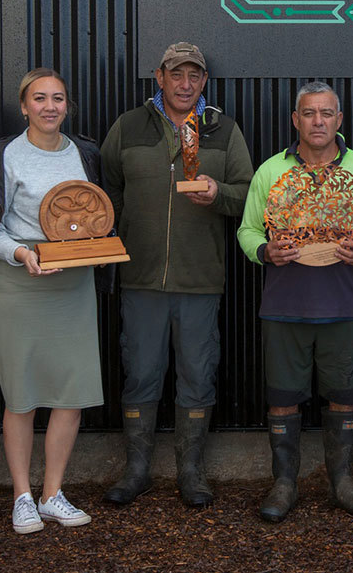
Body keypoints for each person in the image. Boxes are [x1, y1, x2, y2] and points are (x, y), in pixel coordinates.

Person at [100, 42, 253, 508]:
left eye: (194, 75)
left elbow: (250, 193)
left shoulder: (223, 130)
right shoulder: (128, 126)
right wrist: (120, 242)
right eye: (176, 74)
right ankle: (137, 470)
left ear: (204, 81)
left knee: (197, 375)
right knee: (141, 374)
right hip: (140, 278)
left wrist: (219, 193)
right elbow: (109, 191)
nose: (185, 84)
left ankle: (191, 472)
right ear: (159, 76)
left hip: (199, 279)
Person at [237, 81, 353, 522]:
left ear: (339, 120)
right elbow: (248, 230)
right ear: (295, 120)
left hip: (344, 305)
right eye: (309, 113)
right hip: (283, 305)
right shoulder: (270, 172)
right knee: (282, 397)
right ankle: (284, 482)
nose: (318, 121)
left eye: (326, 113)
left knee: (344, 394)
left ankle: (340, 481)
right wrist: (265, 251)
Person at [0, 68, 103, 534]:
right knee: (20, 396)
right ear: (23, 106)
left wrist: (99, 246)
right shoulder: (1, 155)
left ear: (67, 106)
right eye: (39, 98)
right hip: (21, 283)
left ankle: (52, 494)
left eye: (58, 98)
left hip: (73, 287)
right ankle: (21, 495)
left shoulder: (86, 153)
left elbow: (97, 215)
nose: (49, 106)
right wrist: (22, 254)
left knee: (70, 393)